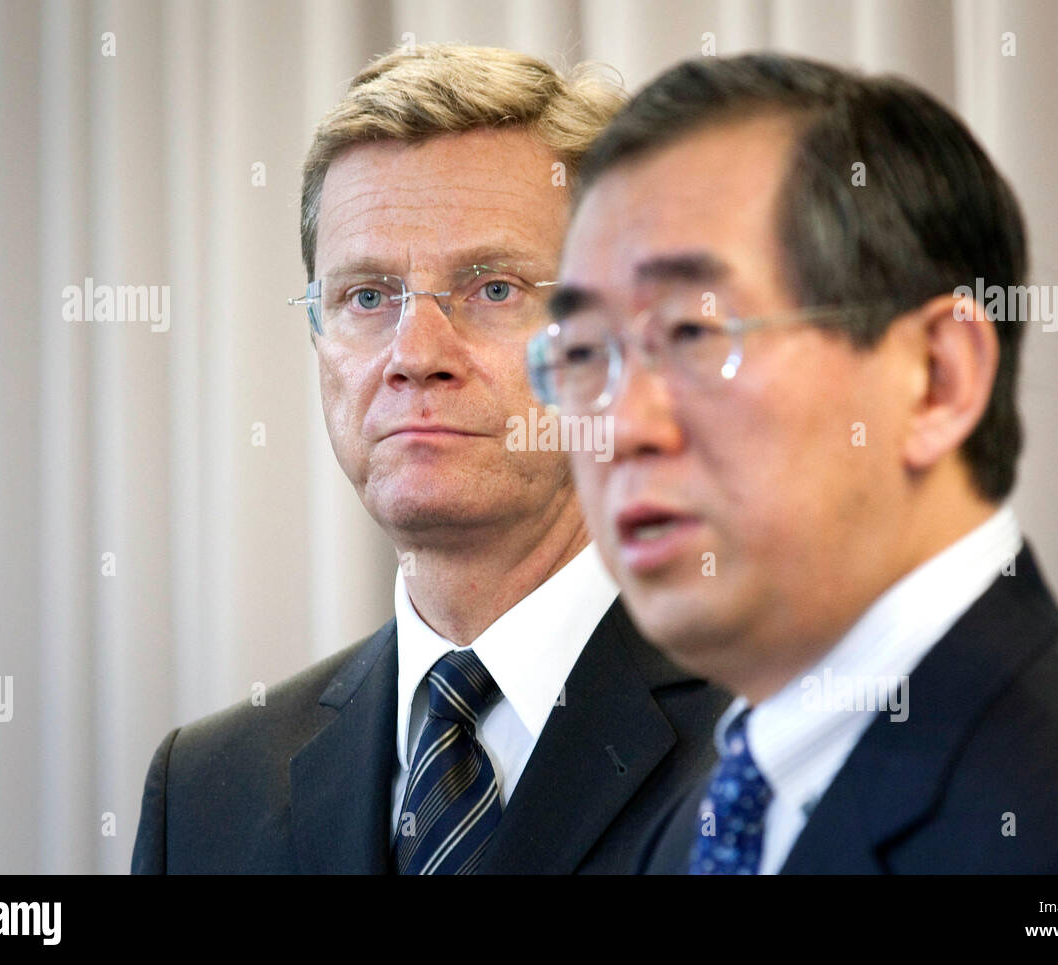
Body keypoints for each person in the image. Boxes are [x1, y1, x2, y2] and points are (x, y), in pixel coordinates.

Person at [529, 52, 1058, 873]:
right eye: (583, 351)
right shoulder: (721, 800)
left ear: (936, 380)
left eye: (693, 333)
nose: (623, 426)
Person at [131, 44, 729, 875]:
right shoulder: (205, 792)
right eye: (366, 296)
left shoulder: (778, 732)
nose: (415, 354)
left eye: (493, 289)